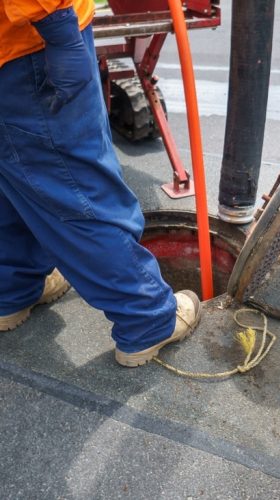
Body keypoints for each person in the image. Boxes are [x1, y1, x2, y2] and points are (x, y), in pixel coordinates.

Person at [0, 0, 201, 367]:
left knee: (13, 177)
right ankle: (148, 318)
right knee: (76, 186)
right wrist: (58, 24)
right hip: (30, 42)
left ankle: (12, 288)